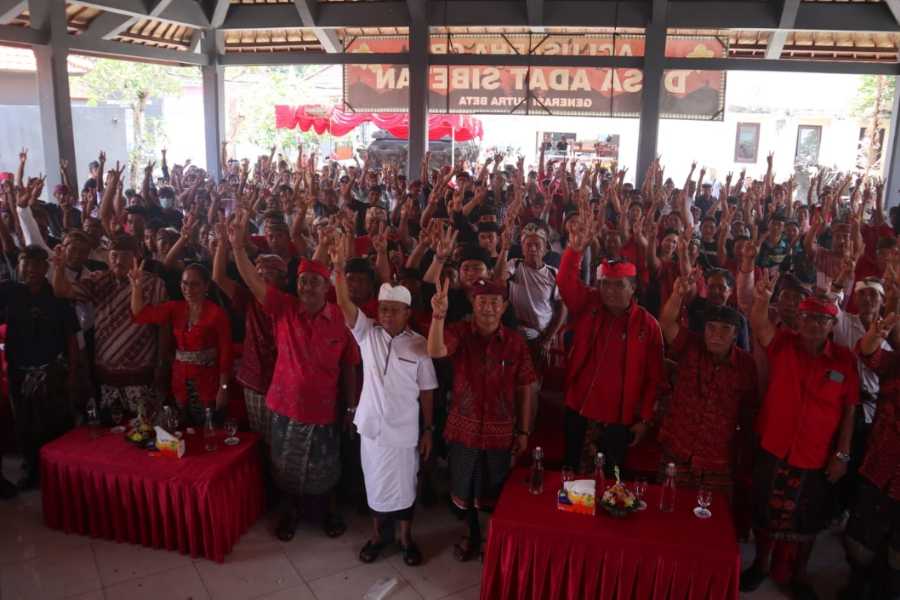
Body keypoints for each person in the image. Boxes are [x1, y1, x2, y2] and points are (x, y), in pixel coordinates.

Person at [229, 209, 359, 542]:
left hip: (324, 409)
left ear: (326, 285)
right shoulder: (284, 309)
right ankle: (290, 514)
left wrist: (350, 407)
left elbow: (349, 366)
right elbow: (252, 282)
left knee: (326, 467)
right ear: (296, 284)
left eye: (315, 281)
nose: (308, 286)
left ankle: (328, 512)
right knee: (284, 468)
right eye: (303, 281)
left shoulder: (341, 319)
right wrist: (238, 248)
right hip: (284, 408)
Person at [743, 278, 859, 600]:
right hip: (774, 445)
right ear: (799, 319)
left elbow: (850, 411)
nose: (813, 324)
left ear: (833, 323)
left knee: (808, 518)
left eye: (822, 319)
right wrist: (763, 300)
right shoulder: (783, 343)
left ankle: (799, 574)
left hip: (815, 454)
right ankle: (761, 564)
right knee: (766, 512)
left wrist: (843, 455)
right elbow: (759, 323)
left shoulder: (844, 360)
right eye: (808, 317)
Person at [332, 236, 438, 567]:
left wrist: (429, 430)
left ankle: (406, 538)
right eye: (384, 309)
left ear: (408, 313)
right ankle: (378, 536)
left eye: (395, 310)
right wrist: (337, 272)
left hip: (405, 432)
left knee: (406, 488)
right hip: (374, 430)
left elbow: (427, 390)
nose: (388, 314)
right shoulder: (368, 333)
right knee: (375, 485)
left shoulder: (420, 345)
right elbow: (346, 306)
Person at [427, 277, 535, 562]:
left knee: (494, 488)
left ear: (504, 306)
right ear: (473, 304)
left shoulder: (515, 343)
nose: (488, 308)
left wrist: (524, 431)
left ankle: (490, 539)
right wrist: (438, 316)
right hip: (464, 428)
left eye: (494, 302)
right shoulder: (458, 333)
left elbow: (525, 387)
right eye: (482, 301)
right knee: (464, 485)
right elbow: (435, 350)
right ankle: (469, 534)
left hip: (500, 433)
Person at [558, 212, 664, 475]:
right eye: (605, 285)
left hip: (621, 417)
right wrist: (574, 251)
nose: (610, 291)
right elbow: (565, 282)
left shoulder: (648, 325)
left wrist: (646, 418)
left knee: (611, 480)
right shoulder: (589, 303)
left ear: (633, 288)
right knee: (572, 476)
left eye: (618, 286)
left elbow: (655, 377)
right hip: (580, 408)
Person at [658, 275, 757, 493]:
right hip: (677, 445)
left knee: (711, 516)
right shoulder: (691, 346)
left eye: (724, 329)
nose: (716, 335)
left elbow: (749, 410)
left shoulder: (746, 365)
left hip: (717, 458)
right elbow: (666, 323)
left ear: (735, 335)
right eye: (711, 327)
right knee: (667, 505)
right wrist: (677, 295)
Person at [51, 234, 170, 414]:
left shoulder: (154, 284)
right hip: (106, 376)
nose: (118, 260)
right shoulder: (97, 280)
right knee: (112, 433)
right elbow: (61, 291)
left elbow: (164, 326)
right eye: (114, 255)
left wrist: (162, 364)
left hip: (141, 374)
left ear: (135, 257)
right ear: (108, 256)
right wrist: (59, 268)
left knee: (144, 433)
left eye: (124, 255)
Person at [1, 246, 79, 489]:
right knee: (24, 425)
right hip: (18, 370)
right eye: (25, 263)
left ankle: (59, 475)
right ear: (18, 266)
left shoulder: (57, 295)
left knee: (56, 423)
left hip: (52, 371)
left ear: (46, 268)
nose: (31, 269)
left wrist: (74, 372)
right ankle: (31, 471)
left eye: (37, 264)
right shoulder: (8, 292)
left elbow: (71, 338)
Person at [130, 261, 232, 425]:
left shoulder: (217, 314)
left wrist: (224, 388)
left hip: (209, 383)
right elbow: (141, 314)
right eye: (184, 283)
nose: (188, 289)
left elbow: (226, 354)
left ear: (206, 286)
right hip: (180, 382)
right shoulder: (175, 308)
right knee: (185, 431)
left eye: (195, 284)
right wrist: (136, 287)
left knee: (210, 429)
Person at [848, 316, 900, 600]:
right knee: (861, 539)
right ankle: (856, 582)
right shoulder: (896, 363)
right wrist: (876, 334)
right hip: (879, 466)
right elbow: (869, 354)